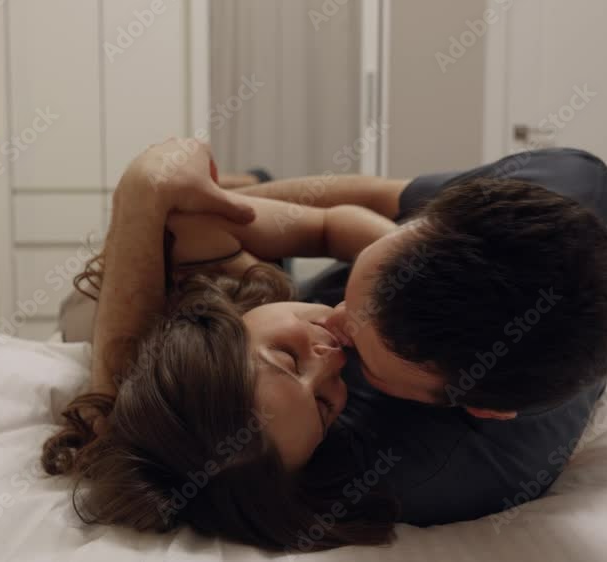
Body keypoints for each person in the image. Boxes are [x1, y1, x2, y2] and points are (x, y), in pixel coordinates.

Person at [234, 147, 607, 524]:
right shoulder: (551, 185)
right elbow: (378, 196)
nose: (333, 319)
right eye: (369, 260)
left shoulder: (409, 464)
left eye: (366, 359)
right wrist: (212, 199)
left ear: (482, 409)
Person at [44, 139, 402, 551]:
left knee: (188, 207)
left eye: (287, 357)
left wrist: (143, 187)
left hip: (106, 305)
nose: (332, 360)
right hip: (259, 288)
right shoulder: (309, 409)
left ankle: (245, 182)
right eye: (323, 406)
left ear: (221, 323)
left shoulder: (190, 255)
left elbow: (343, 216)